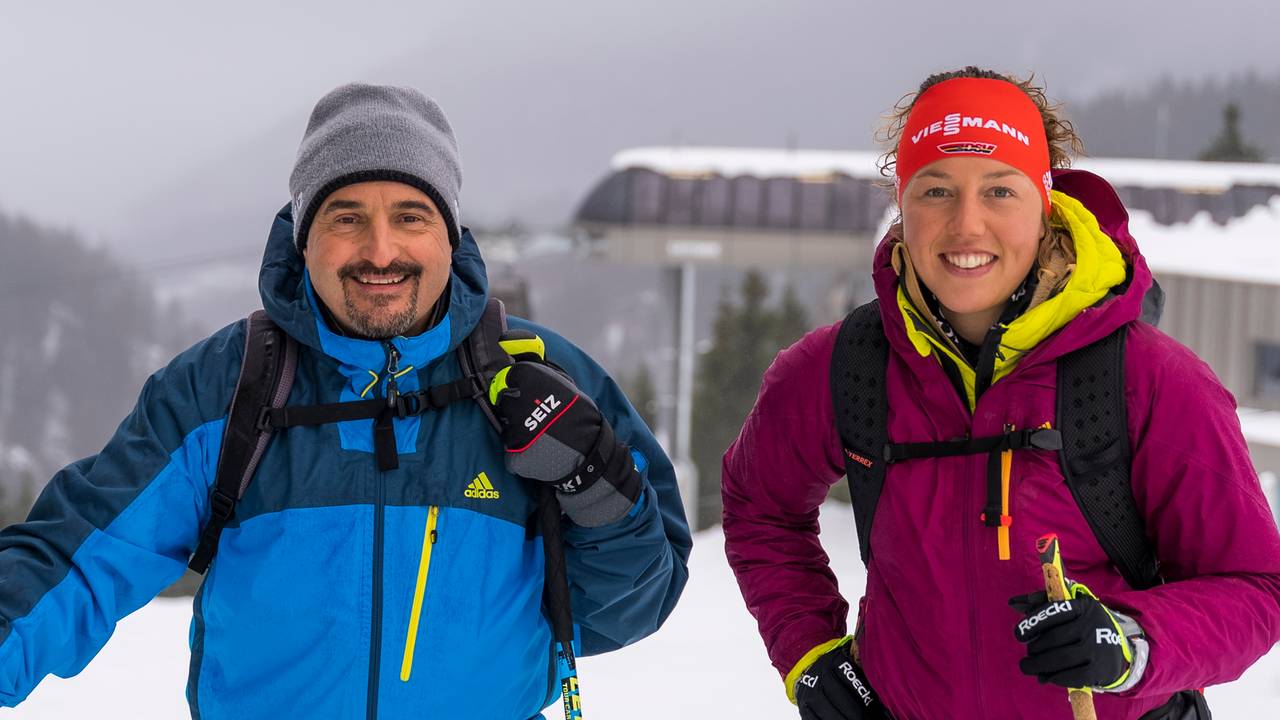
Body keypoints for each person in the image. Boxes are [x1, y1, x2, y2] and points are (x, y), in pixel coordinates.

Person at [0, 83, 690, 718]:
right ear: (305, 238)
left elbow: (629, 606)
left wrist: (595, 484)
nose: (380, 250)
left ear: (449, 233)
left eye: (411, 216)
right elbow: (79, 557)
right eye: (347, 217)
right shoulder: (229, 384)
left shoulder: (538, 376)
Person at [722, 67, 1280, 719]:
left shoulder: (1149, 380)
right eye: (936, 190)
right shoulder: (844, 368)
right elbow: (759, 505)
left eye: (999, 191)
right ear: (903, 204)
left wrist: (1132, 641)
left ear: (1044, 201)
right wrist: (810, 653)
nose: (967, 224)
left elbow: (1255, 586)